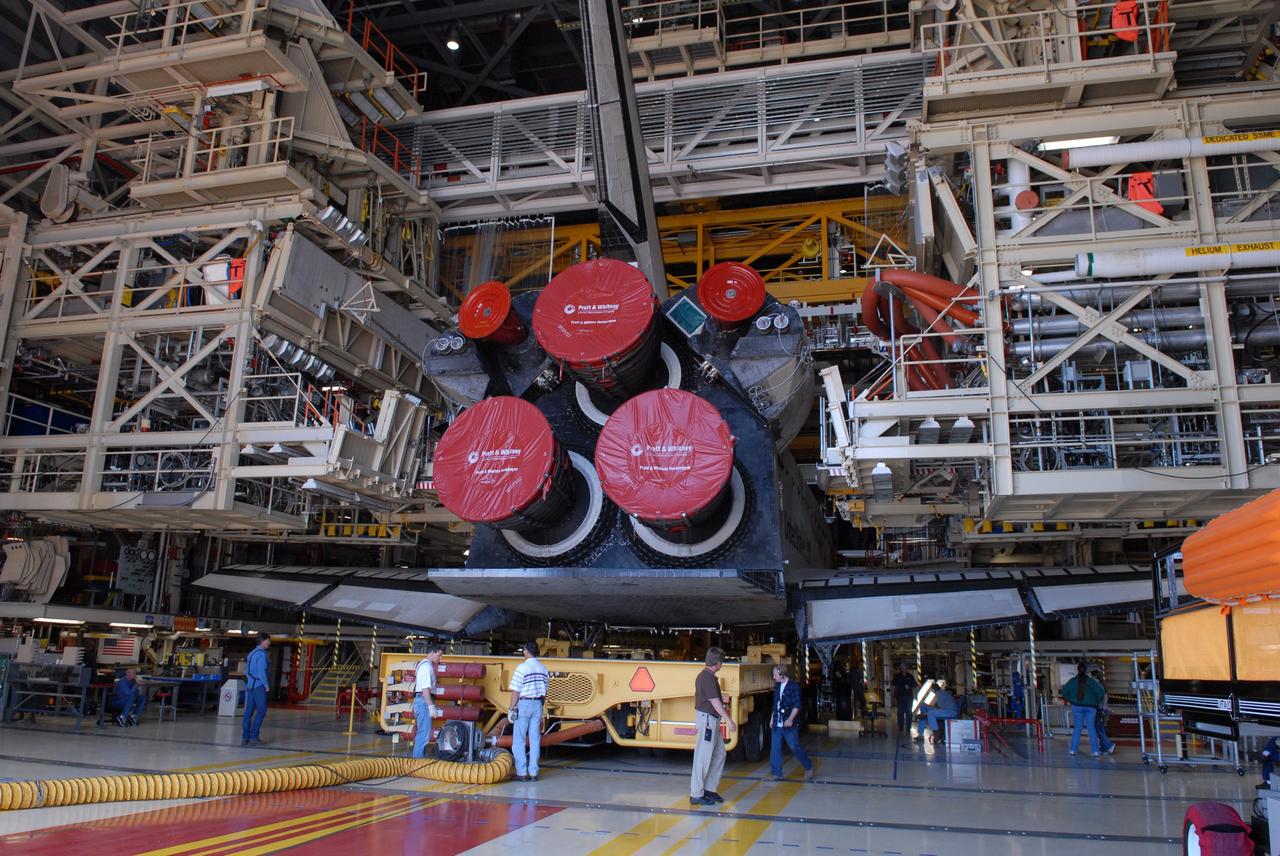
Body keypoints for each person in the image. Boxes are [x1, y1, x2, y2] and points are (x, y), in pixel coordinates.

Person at [690, 647, 736, 807]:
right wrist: (729, 720)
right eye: (722, 661)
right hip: (708, 721)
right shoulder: (707, 678)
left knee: (719, 754)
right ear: (717, 663)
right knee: (703, 757)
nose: (722, 664)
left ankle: (709, 789)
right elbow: (716, 703)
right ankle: (696, 793)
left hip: (712, 720)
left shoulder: (709, 677)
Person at [507, 641, 550, 781]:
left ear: (526, 651)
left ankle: (522, 772)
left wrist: (511, 709)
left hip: (524, 704)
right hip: (538, 704)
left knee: (519, 740)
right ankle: (533, 773)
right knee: (535, 739)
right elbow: (545, 691)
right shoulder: (543, 669)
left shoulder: (522, 668)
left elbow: (516, 691)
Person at [768, 665, 814, 781]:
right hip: (777, 722)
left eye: (775, 675)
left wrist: (790, 719)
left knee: (794, 746)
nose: (773, 677)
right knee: (775, 748)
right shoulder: (777, 686)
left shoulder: (794, 686)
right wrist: (772, 718)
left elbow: (797, 705)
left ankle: (808, 766)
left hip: (789, 723)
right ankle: (776, 773)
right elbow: (776, 704)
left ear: (782, 675)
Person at [1060, 661, 1114, 757]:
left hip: (1076, 706)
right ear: (1086, 671)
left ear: (1077, 670)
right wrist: (1095, 701)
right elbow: (1101, 692)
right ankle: (1095, 751)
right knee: (1091, 728)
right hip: (1091, 708)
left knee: (1077, 728)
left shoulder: (1073, 681)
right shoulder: (1091, 681)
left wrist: (1071, 700)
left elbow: (1064, 692)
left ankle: (1073, 750)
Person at [413, 642, 445, 759]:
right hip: (423, 702)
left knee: (423, 733)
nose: (440, 658)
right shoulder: (426, 667)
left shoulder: (424, 665)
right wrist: (431, 706)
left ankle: (417, 760)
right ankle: (417, 762)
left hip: (421, 701)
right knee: (423, 734)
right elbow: (425, 689)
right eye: (439, 655)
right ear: (432, 652)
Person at [241, 633, 271, 746]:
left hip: (250, 685)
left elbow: (247, 671)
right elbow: (262, 672)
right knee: (262, 711)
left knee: (248, 712)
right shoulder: (262, 655)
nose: (269, 643)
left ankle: (245, 737)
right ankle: (254, 737)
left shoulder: (251, 653)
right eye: (268, 641)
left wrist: (250, 681)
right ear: (263, 641)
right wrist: (266, 685)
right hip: (259, 686)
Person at [891, 665, 916, 732]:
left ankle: (908, 727)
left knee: (909, 712)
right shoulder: (897, 676)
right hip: (900, 696)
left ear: (907, 669)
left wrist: (914, 695)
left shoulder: (910, 676)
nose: (904, 669)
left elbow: (914, 685)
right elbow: (893, 686)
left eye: (905, 668)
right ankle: (901, 726)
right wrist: (893, 696)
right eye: (902, 668)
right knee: (900, 712)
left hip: (909, 697)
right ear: (900, 669)